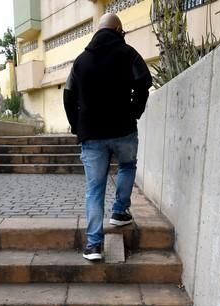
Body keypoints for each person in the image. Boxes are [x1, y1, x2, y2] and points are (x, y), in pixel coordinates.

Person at [64, 13, 152, 261]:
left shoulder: (80, 61)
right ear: (118, 30)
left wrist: (76, 126)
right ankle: (120, 212)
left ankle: (93, 245)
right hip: (124, 128)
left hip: (91, 135)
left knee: (94, 189)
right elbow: (144, 81)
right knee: (127, 166)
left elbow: (68, 95)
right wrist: (135, 110)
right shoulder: (128, 53)